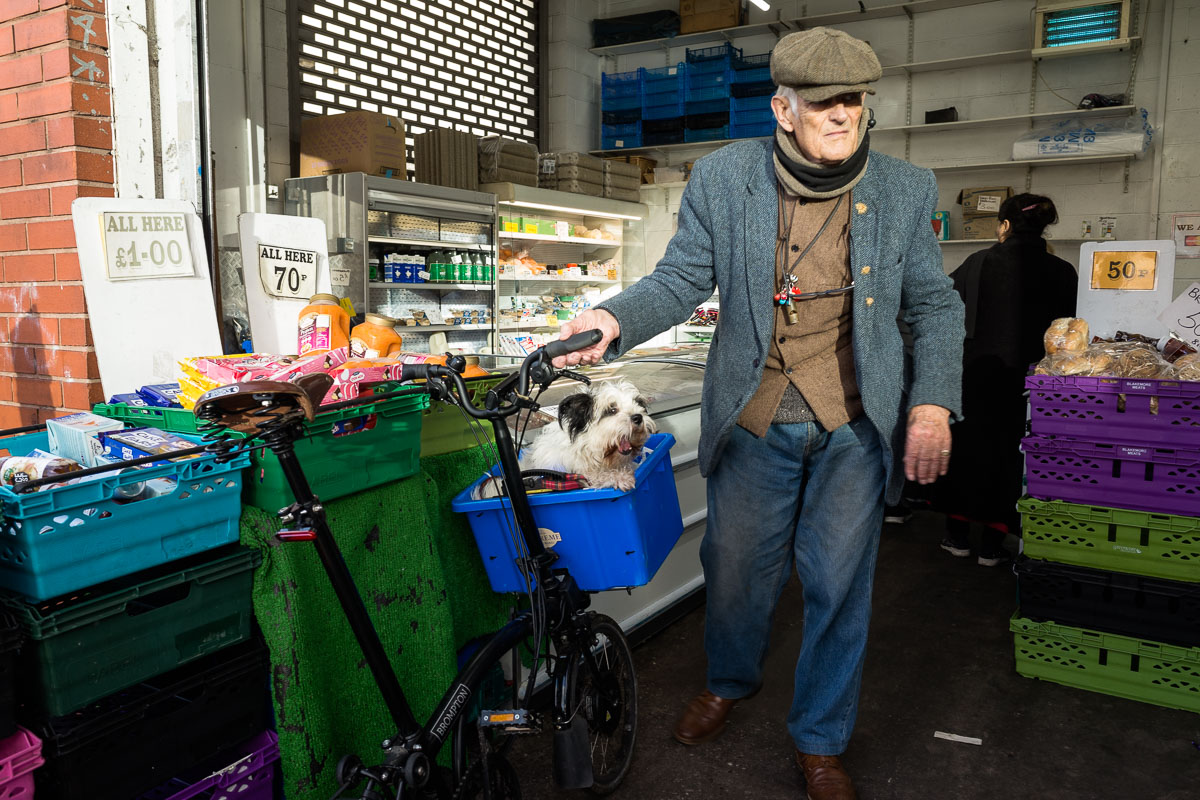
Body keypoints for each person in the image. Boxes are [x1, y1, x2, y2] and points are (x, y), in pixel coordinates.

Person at [555, 28, 964, 800]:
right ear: (782, 107)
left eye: (856, 101)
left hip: (853, 423)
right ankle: (729, 681)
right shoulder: (723, 178)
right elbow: (680, 279)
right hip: (754, 417)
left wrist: (935, 402)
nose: (844, 116)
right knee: (736, 575)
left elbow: (935, 307)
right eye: (824, 102)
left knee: (839, 585)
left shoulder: (907, 187)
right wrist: (610, 321)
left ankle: (819, 740)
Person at [937, 194, 1077, 565]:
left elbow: (942, 311)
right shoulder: (1064, 272)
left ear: (1004, 226)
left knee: (968, 454)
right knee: (1012, 458)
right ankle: (992, 545)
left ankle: (958, 537)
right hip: (1032, 386)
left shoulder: (978, 263)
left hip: (977, 378)